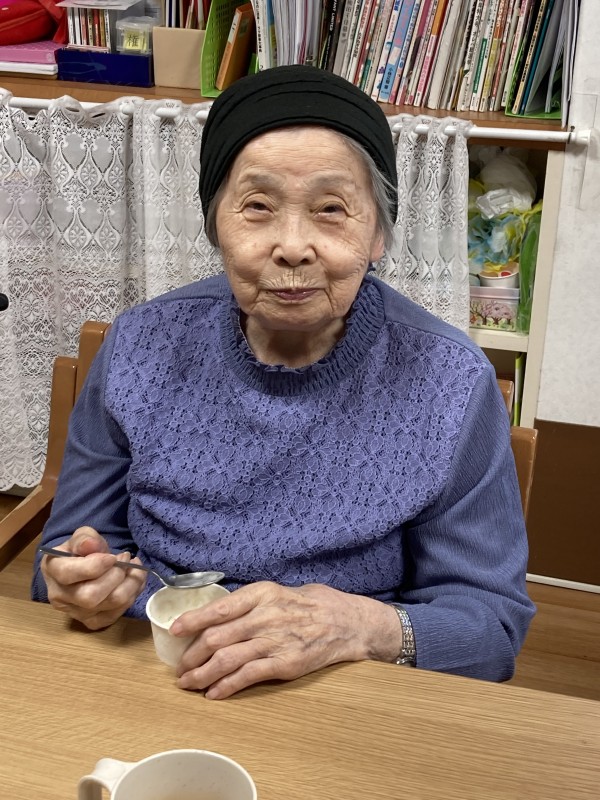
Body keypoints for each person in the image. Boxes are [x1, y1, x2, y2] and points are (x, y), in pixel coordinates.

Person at [32, 65, 535, 699]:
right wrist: (82, 580)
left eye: (331, 209)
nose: (293, 246)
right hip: (150, 670)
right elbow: (62, 556)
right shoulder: (140, 344)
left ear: (378, 234)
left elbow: (490, 629)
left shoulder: (448, 380)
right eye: (258, 207)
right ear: (215, 224)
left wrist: (359, 627)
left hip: (342, 688)